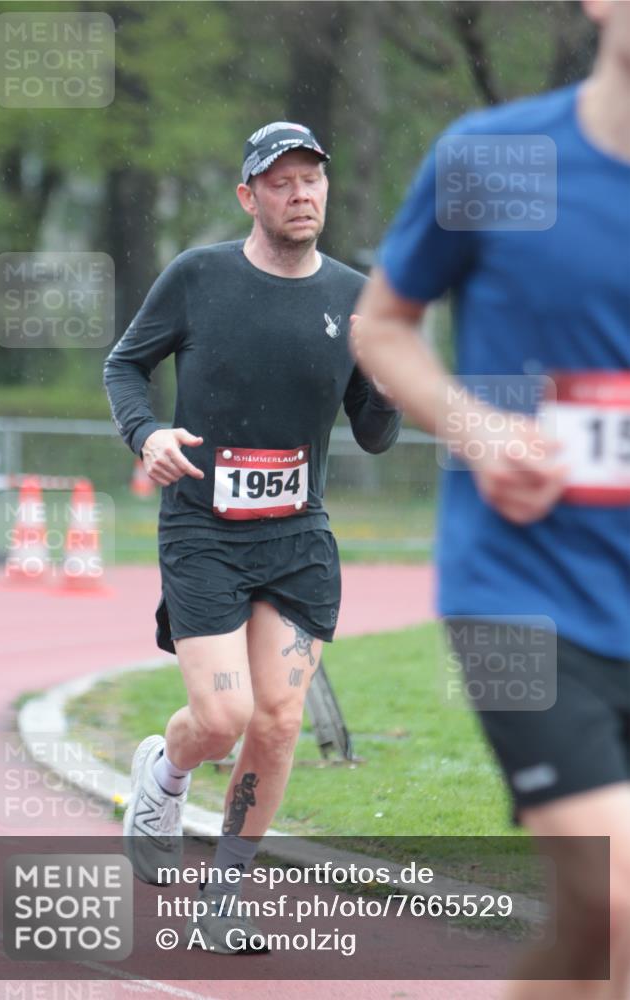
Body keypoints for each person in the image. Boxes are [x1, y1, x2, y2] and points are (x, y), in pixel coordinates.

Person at [351, 1, 630, 997]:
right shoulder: (497, 157)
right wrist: (477, 427)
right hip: (524, 590)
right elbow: (382, 326)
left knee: (594, 929)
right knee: (619, 902)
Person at [103, 121, 401, 953]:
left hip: (298, 536)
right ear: (249, 196)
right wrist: (147, 434)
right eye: (280, 182)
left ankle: (223, 895)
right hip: (204, 529)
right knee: (223, 714)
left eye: (311, 179)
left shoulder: (353, 296)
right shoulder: (197, 277)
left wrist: (387, 378)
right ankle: (165, 768)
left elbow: (374, 434)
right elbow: (124, 366)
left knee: (275, 720)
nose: (300, 193)